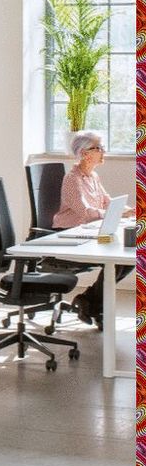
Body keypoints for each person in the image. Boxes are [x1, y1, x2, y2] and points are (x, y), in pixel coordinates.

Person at [52, 129, 135, 325]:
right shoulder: (72, 179)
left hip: (88, 233)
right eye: (98, 148)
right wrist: (115, 213)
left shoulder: (93, 177)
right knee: (119, 259)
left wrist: (130, 210)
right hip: (68, 234)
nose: (103, 151)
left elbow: (107, 202)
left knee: (128, 258)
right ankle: (91, 303)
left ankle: (90, 301)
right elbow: (85, 211)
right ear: (84, 153)